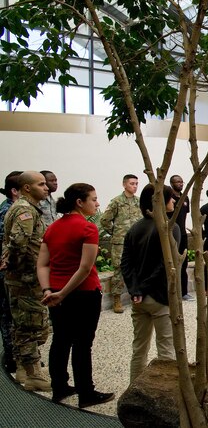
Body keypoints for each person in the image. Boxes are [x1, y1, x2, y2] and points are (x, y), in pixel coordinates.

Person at [37, 183, 114, 407]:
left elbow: (42, 264)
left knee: (60, 340)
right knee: (82, 344)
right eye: (94, 199)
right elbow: (84, 268)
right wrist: (61, 293)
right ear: (79, 202)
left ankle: (59, 387)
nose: (97, 203)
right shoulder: (88, 229)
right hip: (83, 294)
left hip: (56, 294)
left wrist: (49, 290)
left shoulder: (52, 228)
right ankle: (86, 393)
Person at [121, 184, 179, 383]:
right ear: (160, 202)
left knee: (139, 349)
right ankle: (164, 394)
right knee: (167, 349)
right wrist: (144, 288)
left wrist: (135, 289)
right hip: (160, 297)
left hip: (139, 299)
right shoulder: (170, 228)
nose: (173, 202)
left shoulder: (134, 229)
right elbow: (166, 263)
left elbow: (126, 264)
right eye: (170, 198)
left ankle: (134, 390)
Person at [1, 171, 51, 391]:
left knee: (22, 324)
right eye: (41, 184)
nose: (47, 187)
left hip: (20, 278)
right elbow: (19, 243)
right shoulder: (25, 209)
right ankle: (33, 375)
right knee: (32, 326)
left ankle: (23, 368)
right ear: (28, 188)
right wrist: (19, 269)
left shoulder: (25, 207)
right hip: (26, 278)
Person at [100, 174, 142, 313]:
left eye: (136, 183)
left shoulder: (138, 201)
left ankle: (136, 295)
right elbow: (105, 220)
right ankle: (117, 299)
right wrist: (115, 232)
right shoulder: (116, 202)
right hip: (120, 243)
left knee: (138, 267)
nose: (134, 186)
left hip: (136, 242)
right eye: (132, 183)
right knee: (119, 269)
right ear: (124, 185)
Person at [0, 171, 22, 375]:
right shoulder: (7, 211)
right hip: (8, 273)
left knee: (18, 317)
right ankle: (11, 357)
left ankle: (21, 356)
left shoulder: (19, 210)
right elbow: (9, 245)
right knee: (8, 315)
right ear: (15, 191)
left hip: (18, 273)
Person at [169, 175, 192, 301]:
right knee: (171, 262)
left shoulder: (185, 198)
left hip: (183, 234)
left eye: (182, 181)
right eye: (177, 182)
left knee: (184, 263)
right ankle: (172, 292)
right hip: (171, 234)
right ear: (171, 183)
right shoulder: (168, 198)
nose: (180, 183)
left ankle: (184, 292)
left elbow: (185, 215)